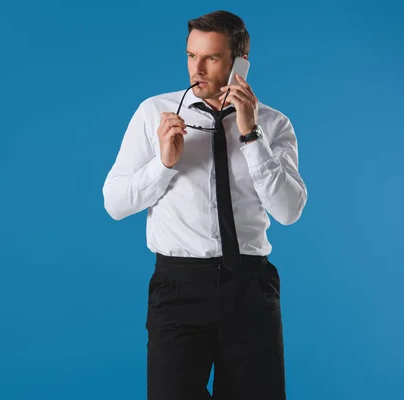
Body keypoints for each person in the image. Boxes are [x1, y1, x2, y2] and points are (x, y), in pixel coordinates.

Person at [102, 10, 307, 400]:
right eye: (190, 55)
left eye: (210, 58)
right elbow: (115, 203)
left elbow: (289, 211)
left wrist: (251, 135)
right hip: (179, 288)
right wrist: (163, 164)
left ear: (239, 63)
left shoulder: (275, 125)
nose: (197, 69)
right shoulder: (154, 114)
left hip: (250, 287)